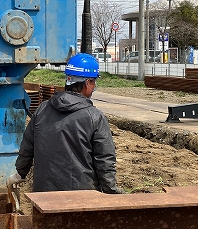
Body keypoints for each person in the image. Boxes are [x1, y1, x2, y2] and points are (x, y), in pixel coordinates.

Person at [10, 53, 122, 193]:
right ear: (87, 83)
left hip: (43, 196)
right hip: (80, 198)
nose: (93, 87)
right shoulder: (94, 117)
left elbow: (27, 147)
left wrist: (20, 173)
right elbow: (104, 160)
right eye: (93, 82)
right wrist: (111, 190)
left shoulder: (42, 109)